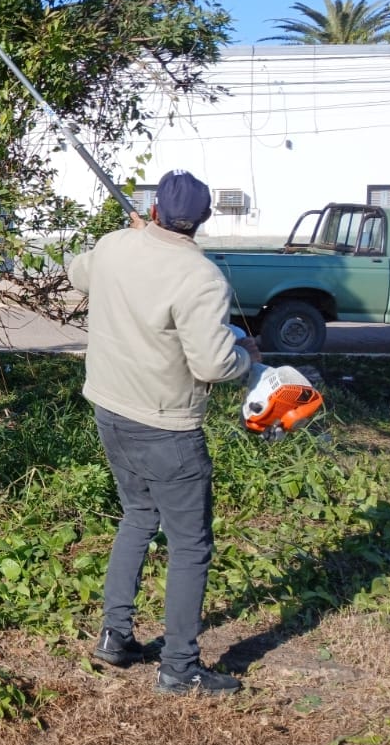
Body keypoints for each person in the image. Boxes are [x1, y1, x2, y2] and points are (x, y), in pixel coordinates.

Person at [67, 170, 262, 696]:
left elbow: (77, 273)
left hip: (110, 410)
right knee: (191, 546)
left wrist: (128, 236)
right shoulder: (199, 276)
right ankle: (178, 668)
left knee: (136, 517)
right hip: (166, 427)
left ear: (154, 211)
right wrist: (246, 357)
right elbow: (212, 364)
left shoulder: (112, 247)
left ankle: (115, 636)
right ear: (202, 220)